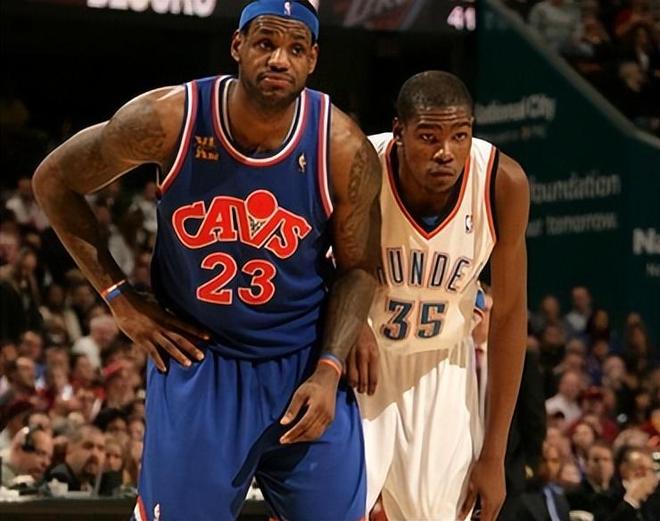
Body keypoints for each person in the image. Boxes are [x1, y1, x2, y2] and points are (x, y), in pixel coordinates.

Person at [32, 1, 380, 520]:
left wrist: (331, 366)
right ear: (237, 45)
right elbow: (54, 181)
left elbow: (358, 270)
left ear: (313, 59)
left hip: (303, 364)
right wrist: (119, 298)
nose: (278, 59)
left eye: (295, 49)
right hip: (201, 362)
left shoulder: (342, 147)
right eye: (265, 43)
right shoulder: (169, 118)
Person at [347, 71, 529, 521]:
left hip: (442, 366)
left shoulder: (501, 182)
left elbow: (508, 315)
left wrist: (494, 454)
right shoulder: (359, 163)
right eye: (429, 137)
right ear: (399, 133)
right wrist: (349, 327)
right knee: (330, 508)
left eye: (459, 136)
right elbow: (317, 264)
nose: (445, 151)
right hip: (362, 361)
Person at [44, 424, 106, 492]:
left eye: (101, 449)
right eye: (88, 447)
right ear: (69, 449)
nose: (95, 453)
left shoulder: (94, 484)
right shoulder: (59, 478)